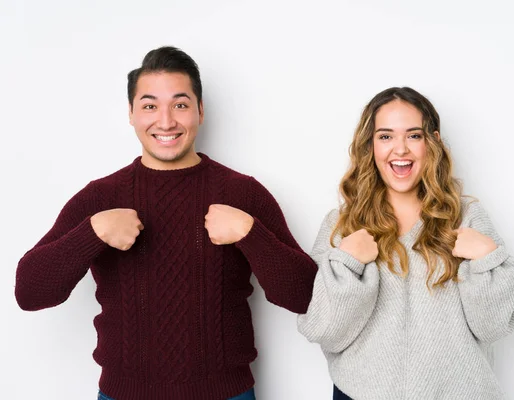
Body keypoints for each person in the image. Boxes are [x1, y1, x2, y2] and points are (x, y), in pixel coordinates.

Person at [15, 46, 317, 400]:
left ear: (200, 111)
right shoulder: (100, 198)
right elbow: (30, 293)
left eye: (180, 104)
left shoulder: (243, 193)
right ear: (131, 114)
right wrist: (91, 233)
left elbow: (306, 296)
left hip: (226, 394)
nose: (166, 121)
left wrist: (251, 234)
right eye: (149, 106)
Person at [297, 87, 514, 399]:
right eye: (386, 136)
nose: (401, 149)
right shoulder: (342, 225)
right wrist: (346, 264)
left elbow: (493, 327)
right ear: (370, 146)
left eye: (414, 136)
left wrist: (487, 257)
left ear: (432, 142)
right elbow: (325, 330)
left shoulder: (467, 217)